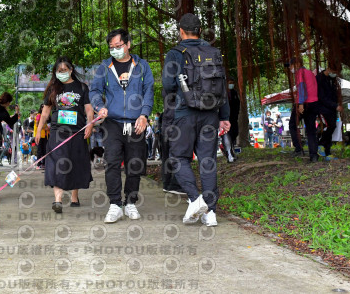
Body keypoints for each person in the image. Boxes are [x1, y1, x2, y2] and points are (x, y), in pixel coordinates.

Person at [162, 13, 231, 227]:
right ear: (200, 31)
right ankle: (211, 213)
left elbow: (168, 85)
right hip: (210, 114)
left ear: (181, 31)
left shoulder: (175, 54)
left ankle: (195, 199)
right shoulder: (213, 52)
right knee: (207, 161)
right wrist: (224, 116)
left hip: (183, 114)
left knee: (178, 157)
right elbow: (222, 86)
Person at [90, 28, 154, 223]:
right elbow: (94, 91)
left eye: (118, 46)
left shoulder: (142, 66)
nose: (115, 50)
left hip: (136, 122)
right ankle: (115, 204)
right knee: (112, 162)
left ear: (128, 45)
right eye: (111, 47)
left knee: (134, 164)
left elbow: (149, 91)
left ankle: (131, 202)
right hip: (113, 122)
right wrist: (99, 106)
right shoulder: (104, 67)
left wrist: (144, 115)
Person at [35, 56, 94, 214]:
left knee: (76, 162)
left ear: (71, 70)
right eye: (58, 71)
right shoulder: (53, 89)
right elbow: (45, 112)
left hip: (77, 132)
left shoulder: (82, 87)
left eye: (64, 70)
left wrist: (90, 124)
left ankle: (74, 196)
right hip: (57, 132)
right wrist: (39, 130)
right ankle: (58, 200)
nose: (61, 73)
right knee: (57, 163)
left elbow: (89, 109)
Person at [289, 56, 322, 162]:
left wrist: (300, 104)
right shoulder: (310, 73)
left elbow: (302, 89)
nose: (290, 68)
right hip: (314, 103)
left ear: (297, 64)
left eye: (291, 65)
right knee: (311, 130)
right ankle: (313, 155)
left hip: (304, 103)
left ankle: (298, 148)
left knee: (292, 124)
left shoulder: (300, 73)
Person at [316, 64, 342, 158]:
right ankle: (320, 144)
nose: (335, 74)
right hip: (323, 108)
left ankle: (327, 152)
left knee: (332, 127)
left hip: (332, 108)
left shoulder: (332, 80)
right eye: (334, 72)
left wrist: (337, 104)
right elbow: (321, 97)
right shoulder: (319, 78)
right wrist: (335, 105)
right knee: (330, 126)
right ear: (329, 68)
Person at [33, 104, 49, 169]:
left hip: (45, 135)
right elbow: (37, 124)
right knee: (39, 150)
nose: (44, 108)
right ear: (41, 108)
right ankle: (38, 164)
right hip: (39, 135)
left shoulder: (45, 116)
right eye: (43, 107)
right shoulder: (39, 115)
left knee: (45, 149)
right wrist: (44, 128)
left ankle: (44, 163)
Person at [227, 80, 241, 146]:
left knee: (235, 131)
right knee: (229, 131)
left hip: (234, 116)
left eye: (232, 83)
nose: (231, 85)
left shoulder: (235, 93)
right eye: (230, 83)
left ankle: (233, 143)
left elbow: (237, 103)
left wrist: (237, 112)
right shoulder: (226, 93)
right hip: (228, 116)